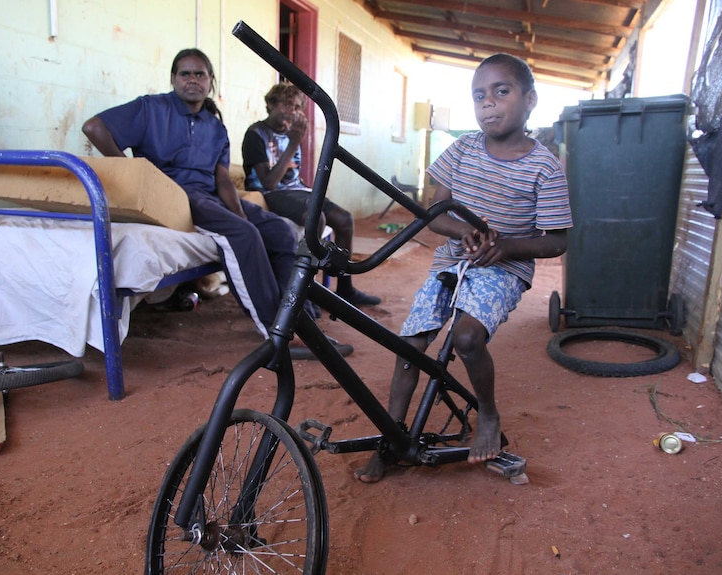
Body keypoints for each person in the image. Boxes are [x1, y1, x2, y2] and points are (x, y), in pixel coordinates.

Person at [355, 53, 573, 483]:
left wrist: (506, 246)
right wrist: (461, 232)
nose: (488, 102)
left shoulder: (544, 167)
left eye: (501, 91)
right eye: (479, 95)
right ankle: (391, 438)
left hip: (502, 270)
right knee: (409, 345)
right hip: (451, 262)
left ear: (530, 100)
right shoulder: (461, 149)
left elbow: (558, 240)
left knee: (467, 336)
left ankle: (487, 413)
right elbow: (434, 212)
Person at [82, 49, 350, 357]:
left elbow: (223, 179)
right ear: (173, 79)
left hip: (208, 196)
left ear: (211, 82)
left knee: (280, 230)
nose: (192, 80)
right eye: (185, 74)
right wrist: (137, 177)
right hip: (175, 195)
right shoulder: (151, 108)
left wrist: (240, 214)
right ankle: (278, 335)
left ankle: (299, 322)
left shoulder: (215, 127)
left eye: (200, 74)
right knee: (244, 236)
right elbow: (94, 127)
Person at [242, 83, 381, 307]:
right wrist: (294, 143)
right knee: (316, 220)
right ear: (270, 105)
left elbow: (295, 177)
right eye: (286, 105)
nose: (293, 111)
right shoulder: (255, 134)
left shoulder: (291, 132)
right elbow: (269, 181)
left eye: (297, 107)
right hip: (268, 193)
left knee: (345, 220)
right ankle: (305, 291)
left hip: (296, 191)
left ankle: (345, 289)